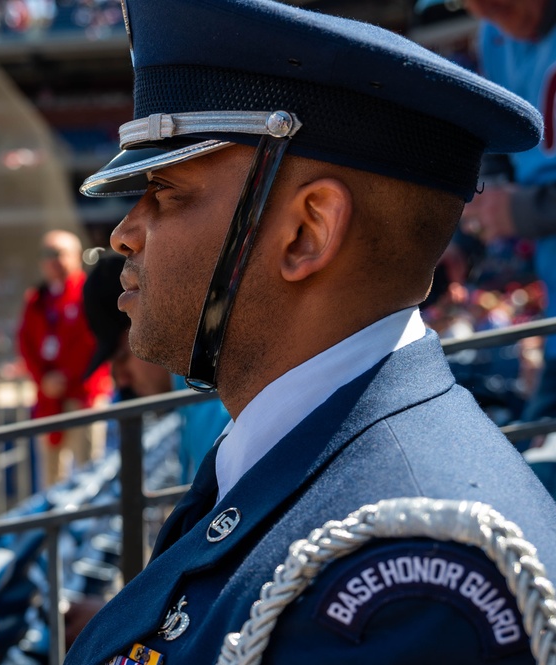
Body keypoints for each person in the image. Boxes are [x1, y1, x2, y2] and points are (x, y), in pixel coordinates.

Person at [62, 0, 556, 663]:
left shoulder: (413, 581)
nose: (124, 232)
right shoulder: (301, 462)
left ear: (307, 231)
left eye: (167, 193)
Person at [460, 0, 556, 424]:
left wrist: (522, 211)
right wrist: (466, 235)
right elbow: (497, 146)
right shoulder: (494, 35)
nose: (483, 7)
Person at [82, 252, 230, 480]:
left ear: (149, 321)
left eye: (121, 357)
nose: (120, 379)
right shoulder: (195, 388)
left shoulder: (212, 396)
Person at [17, 230, 113, 488]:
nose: (52, 261)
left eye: (58, 254)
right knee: (51, 479)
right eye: (46, 255)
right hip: (49, 400)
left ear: (76, 256)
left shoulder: (90, 291)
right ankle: (55, 529)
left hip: (84, 396)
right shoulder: (36, 300)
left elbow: (95, 343)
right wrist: (44, 379)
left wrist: (66, 377)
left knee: (89, 475)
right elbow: (26, 345)